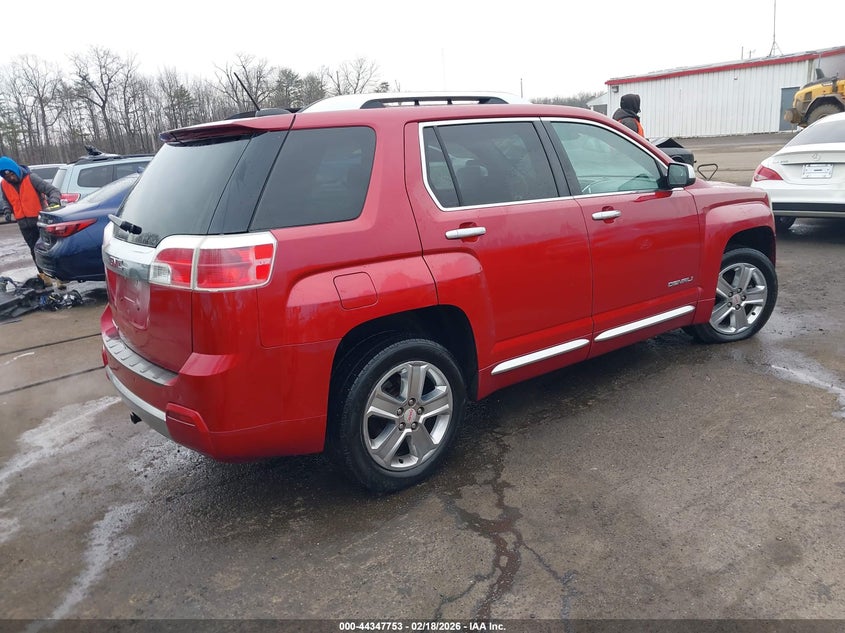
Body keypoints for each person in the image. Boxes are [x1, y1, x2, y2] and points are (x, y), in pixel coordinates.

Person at [0, 155, 61, 285]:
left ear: (14, 170)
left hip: (40, 221)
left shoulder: (31, 178)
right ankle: (44, 278)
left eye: (11, 174)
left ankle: (59, 277)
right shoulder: (4, 184)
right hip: (24, 224)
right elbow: (6, 200)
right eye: (6, 176)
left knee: (48, 250)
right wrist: (7, 210)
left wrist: (53, 203)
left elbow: (53, 191)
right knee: (34, 251)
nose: (10, 178)